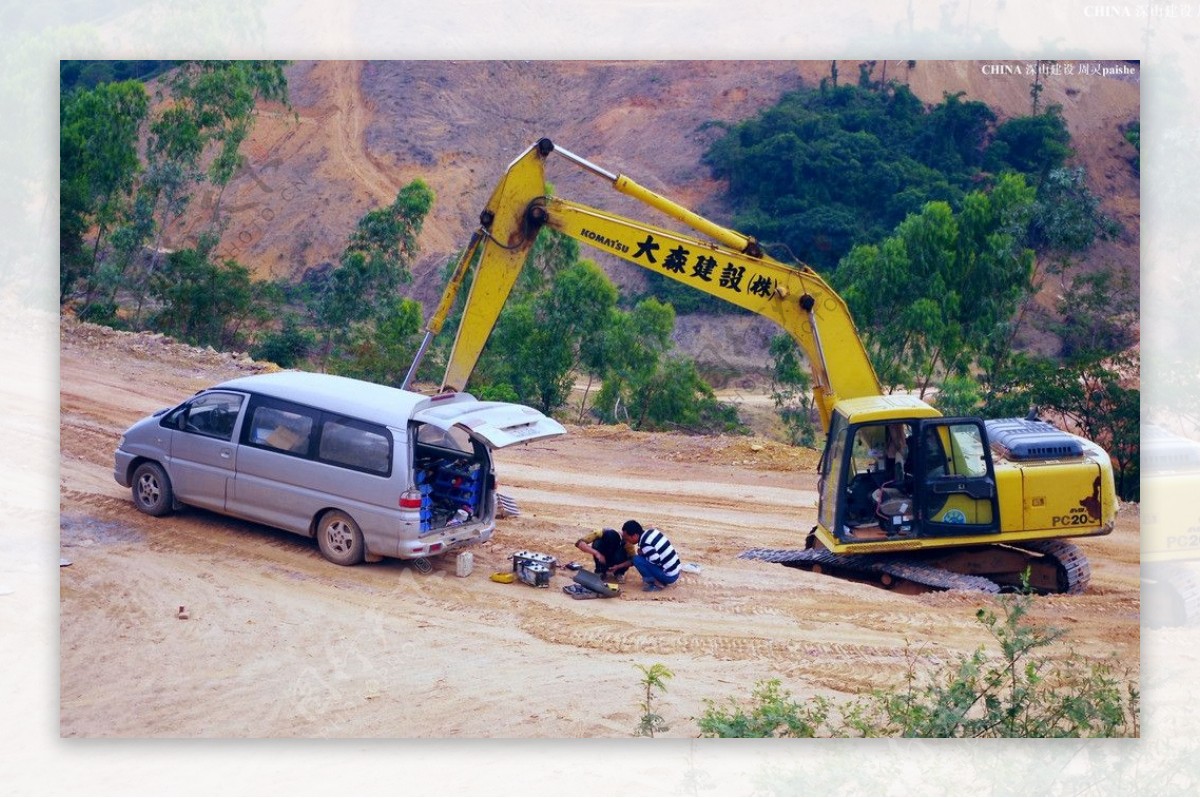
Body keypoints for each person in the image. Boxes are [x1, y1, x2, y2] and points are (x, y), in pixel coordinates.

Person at [621, 519, 681, 592]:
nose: (627, 541)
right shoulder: (651, 532)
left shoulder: (645, 543)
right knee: (640, 558)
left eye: (627, 538)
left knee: (636, 559)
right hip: (676, 571)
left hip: (669, 576)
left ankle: (655, 584)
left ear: (635, 536)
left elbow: (655, 560)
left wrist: (643, 554)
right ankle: (659, 580)